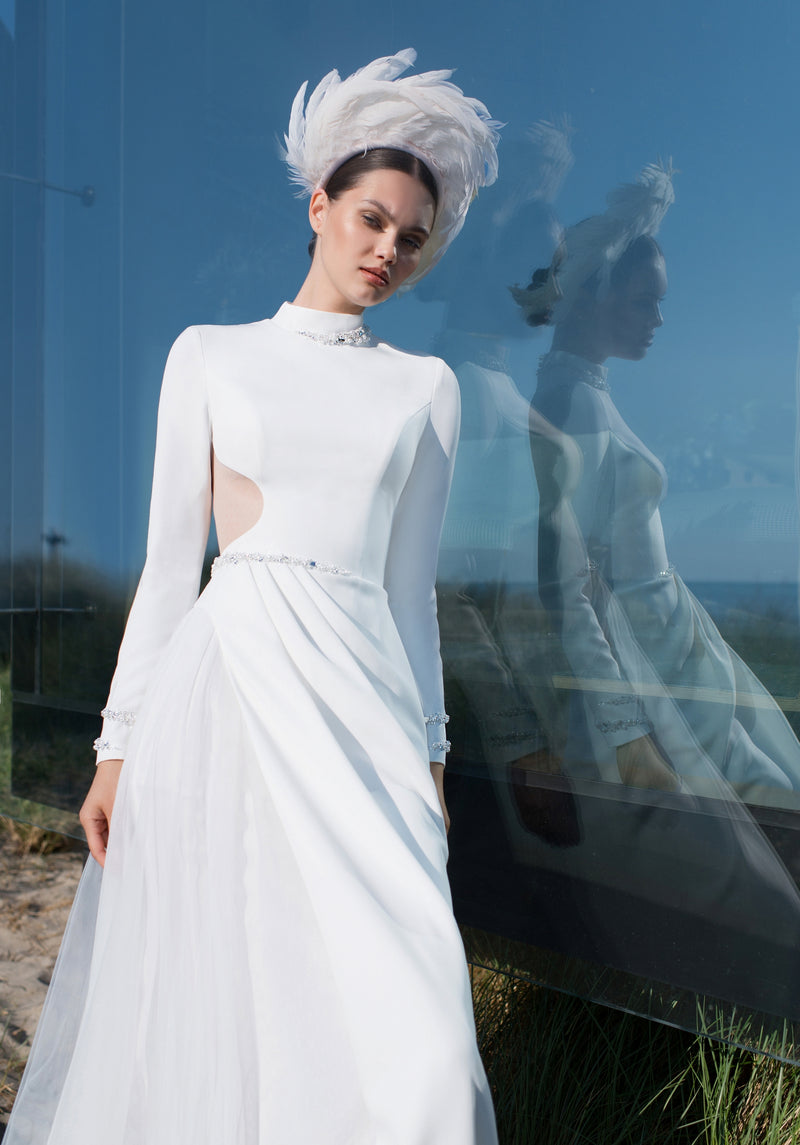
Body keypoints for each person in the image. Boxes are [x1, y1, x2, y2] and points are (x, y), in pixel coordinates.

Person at [6, 49, 500, 1145]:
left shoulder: (427, 389)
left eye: (411, 237)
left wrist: (427, 766)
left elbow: (410, 592)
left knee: (414, 1041)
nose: (387, 249)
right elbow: (168, 571)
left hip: (364, 713)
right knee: (234, 1003)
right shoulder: (210, 356)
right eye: (371, 217)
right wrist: (116, 746)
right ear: (318, 203)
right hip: (227, 700)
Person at [517, 162, 800, 807]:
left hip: (674, 639)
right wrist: (624, 722)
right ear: (592, 295)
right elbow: (565, 583)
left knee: (778, 794)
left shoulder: (582, 397)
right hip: (653, 653)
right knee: (772, 804)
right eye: (647, 301)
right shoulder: (571, 406)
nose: (660, 321)